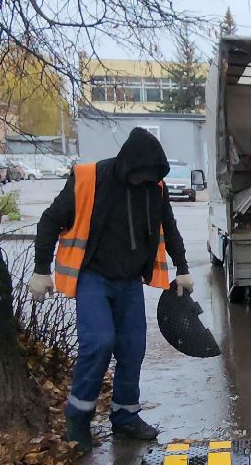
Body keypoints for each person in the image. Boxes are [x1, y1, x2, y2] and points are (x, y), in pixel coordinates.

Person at [28, 127, 193, 448]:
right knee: (99, 343)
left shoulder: (154, 188)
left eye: (151, 177)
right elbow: (49, 220)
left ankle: (126, 417)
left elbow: (168, 228)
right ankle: (78, 418)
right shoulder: (90, 179)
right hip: (93, 277)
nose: (146, 181)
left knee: (133, 348)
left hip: (130, 281)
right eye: (142, 175)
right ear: (128, 165)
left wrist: (183, 267)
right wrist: (40, 269)